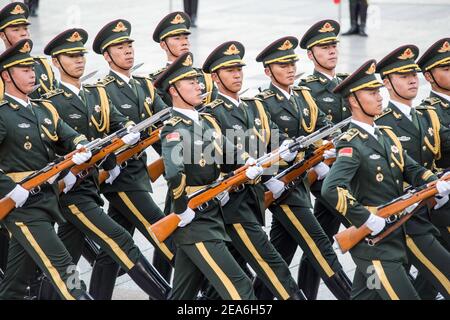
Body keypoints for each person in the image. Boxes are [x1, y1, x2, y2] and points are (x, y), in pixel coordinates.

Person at [40, 28, 171, 300]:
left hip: (92, 186)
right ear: (55, 62)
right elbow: (47, 148)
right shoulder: (51, 103)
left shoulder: (94, 94)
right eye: (71, 56)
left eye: (81, 55)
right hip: (71, 192)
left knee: (65, 262)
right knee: (121, 240)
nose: (79, 60)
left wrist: (126, 132)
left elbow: (111, 125)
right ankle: (170, 295)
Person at [322, 59, 450, 299]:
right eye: (371, 93)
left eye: (378, 91)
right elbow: (331, 189)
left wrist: (436, 183)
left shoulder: (386, 135)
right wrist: (367, 219)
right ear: (353, 100)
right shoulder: (352, 143)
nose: (379, 97)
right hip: (375, 244)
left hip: (393, 234)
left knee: (365, 295)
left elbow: (412, 170)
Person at [249, 35, 352, 300]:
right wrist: (272, 178)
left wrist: (324, 152)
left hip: (301, 183)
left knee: (280, 253)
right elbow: (256, 147)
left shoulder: (303, 97)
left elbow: (319, 133)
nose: (290, 69)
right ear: (268, 71)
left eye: (292, 64)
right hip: (282, 189)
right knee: (321, 247)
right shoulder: (262, 103)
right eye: (282, 65)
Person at [203, 41, 305, 300]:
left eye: (239, 69)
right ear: (215, 77)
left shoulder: (253, 107)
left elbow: (274, 141)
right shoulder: (211, 114)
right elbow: (211, 159)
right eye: (229, 71)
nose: (237, 75)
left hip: (253, 202)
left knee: (222, 286)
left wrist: (287, 151)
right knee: (275, 269)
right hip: (233, 207)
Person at [154, 52, 257, 300]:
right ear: (175, 91)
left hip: (210, 216)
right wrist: (180, 210)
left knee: (182, 295)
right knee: (241, 290)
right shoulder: (174, 128)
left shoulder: (205, 122)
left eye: (198, 80)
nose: (199, 86)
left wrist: (248, 163)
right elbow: (173, 173)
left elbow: (228, 151)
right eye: (191, 82)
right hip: (194, 221)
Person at [88, 19, 175, 299]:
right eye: (119, 47)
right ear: (107, 55)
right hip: (121, 178)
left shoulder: (144, 86)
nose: (127, 51)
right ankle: (202, 290)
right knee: (162, 231)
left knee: (111, 252)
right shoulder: (101, 91)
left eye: (129, 46)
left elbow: (166, 122)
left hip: (137, 175)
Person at [0, 39, 92, 300]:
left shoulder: (43, 110)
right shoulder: (3, 114)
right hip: (23, 208)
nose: (32, 74)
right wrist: (10, 189)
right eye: (24, 70)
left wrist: (82, 146)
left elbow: (70, 136)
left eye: (32, 68)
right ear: (7, 75)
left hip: (46, 201)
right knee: (68, 272)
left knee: (15, 285)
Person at [374, 45, 450, 299]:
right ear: (387, 83)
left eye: (413, 75)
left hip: (428, 208)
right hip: (402, 216)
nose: (411, 81)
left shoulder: (425, 116)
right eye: (402, 76)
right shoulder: (382, 123)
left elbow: (432, 163)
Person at [297, 20, 353, 299]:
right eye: (324, 47)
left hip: (348, 169)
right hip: (325, 173)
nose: (331, 51)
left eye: (333, 46)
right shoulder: (306, 89)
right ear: (310, 54)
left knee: (318, 241)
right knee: (368, 233)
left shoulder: (347, 82)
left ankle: (306, 293)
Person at [150, 11, 217, 107]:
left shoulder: (205, 77)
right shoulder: (156, 81)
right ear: (163, 45)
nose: (184, 42)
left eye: (186, 38)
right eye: (177, 38)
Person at [0, 2, 57, 99]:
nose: (23, 33)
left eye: (25, 28)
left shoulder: (42, 65)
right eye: (16, 30)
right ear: (2, 35)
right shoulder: (2, 67)